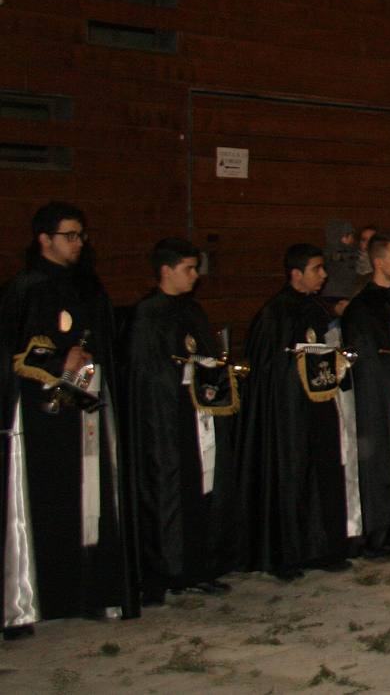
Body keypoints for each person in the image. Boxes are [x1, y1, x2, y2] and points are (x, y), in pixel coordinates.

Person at [0, 202, 138, 635]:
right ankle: (34, 597)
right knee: (47, 498)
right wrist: (61, 358)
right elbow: (13, 346)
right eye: (70, 235)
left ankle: (92, 589)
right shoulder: (25, 288)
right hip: (44, 413)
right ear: (44, 239)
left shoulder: (88, 287)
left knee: (91, 496)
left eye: (81, 235)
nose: (79, 243)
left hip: (86, 405)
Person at [127, 238, 239, 602]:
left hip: (198, 417)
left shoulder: (192, 311)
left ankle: (201, 565)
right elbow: (148, 373)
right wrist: (187, 375)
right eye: (188, 269)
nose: (195, 276)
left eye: (196, 268)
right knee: (171, 493)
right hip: (166, 421)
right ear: (166, 270)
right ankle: (169, 570)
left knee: (205, 489)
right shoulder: (147, 315)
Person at [236, 243, 350, 580]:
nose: (324, 275)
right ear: (296, 273)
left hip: (318, 407)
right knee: (290, 474)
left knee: (323, 472)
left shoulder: (317, 309)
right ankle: (286, 553)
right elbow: (269, 370)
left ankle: (321, 547)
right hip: (286, 413)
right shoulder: (274, 314)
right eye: (317, 269)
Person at [341, 233, 390, 558]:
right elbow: (367, 355)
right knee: (380, 457)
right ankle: (382, 528)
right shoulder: (361, 307)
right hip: (380, 395)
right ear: (379, 262)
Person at [321, 220, 362, 312]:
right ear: (344, 237)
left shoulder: (325, 253)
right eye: (351, 236)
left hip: (329, 293)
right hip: (343, 293)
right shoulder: (349, 254)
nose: (353, 240)